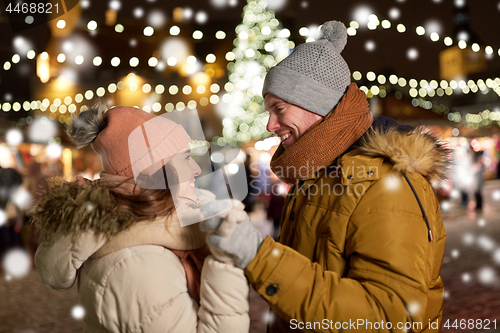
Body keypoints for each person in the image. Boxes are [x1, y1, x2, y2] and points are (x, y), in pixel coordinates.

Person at [201, 21, 448, 332]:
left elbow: (389, 316)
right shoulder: (316, 174)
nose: (270, 125)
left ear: (317, 104)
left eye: (279, 108)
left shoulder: (386, 185)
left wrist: (259, 256)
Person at [30, 105, 250, 332]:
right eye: (185, 158)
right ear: (155, 172)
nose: (195, 169)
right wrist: (224, 263)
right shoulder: (136, 263)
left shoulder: (160, 235)